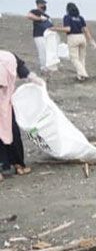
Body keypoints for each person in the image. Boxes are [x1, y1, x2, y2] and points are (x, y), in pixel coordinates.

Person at [0, 51, 46, 182]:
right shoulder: (9, 57)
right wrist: (37, 81)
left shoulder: (8, 57)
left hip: (5, 102)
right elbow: (25, 72)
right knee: (12, 131)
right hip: (6, 104)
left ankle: (4, 168)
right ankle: (19, 165)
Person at [53, 2, 96, 81]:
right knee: (82, 58)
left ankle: (83, 73)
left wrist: (55, 29)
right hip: (82, 37)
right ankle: (80, 76)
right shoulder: (80, 18)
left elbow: (68, 29)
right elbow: (86, 30)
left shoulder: (67, 17)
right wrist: (91, 40)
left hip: (73, 37)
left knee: (74, 58)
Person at [26, 0, 53, 73]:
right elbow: (29, 16)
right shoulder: (35, 11)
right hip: (39, 35)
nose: (44, 5)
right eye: (43, 4)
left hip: (47, 35)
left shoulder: (46, 15)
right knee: (42, 51)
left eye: (45, 4)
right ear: (39, 4)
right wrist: (40, 19)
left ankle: (48, 66)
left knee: (47, 51)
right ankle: (43, 67)